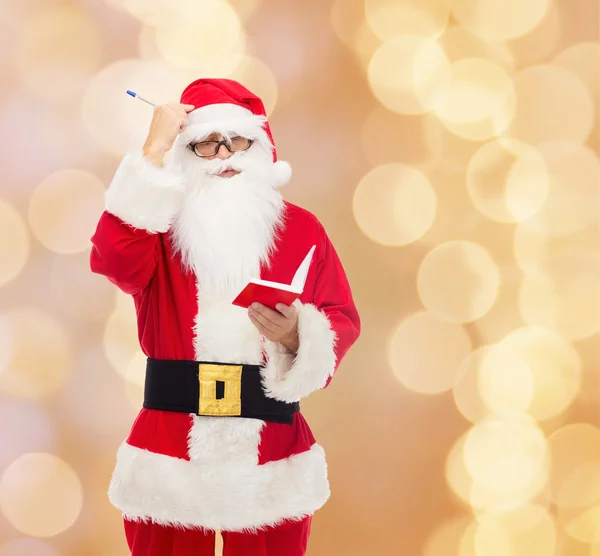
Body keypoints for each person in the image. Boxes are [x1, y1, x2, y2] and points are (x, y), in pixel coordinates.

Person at [90, 78, 360, 556]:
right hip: (170, 450)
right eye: (207, 144)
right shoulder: (158, 224)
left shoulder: (303, 229)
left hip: (271, 453)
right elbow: (114, 261)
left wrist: (301, 335)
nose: (224, 155)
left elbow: (340, 316)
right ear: (187, 154)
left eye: (237, 141)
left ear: (260, 147)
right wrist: (152, 150)